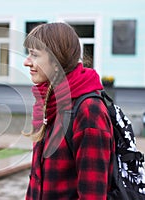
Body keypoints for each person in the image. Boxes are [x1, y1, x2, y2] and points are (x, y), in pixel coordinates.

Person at [23, 22, 115, 199]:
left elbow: (92, 194)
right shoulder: (48, 103)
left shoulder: (88, 110)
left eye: (34, 55)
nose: (26, 62)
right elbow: (37, 180)